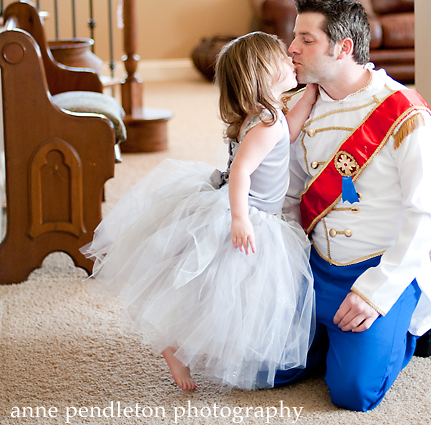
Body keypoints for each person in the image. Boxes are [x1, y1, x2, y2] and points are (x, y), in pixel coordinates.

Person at [82, 32, 317, 392]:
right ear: (264, 73)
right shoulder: (267, 123)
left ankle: (183, 346)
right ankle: (175, 347)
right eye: (283, 59)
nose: (291, 60)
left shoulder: (267, 116)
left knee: (218, 291)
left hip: (245, 207)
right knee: (217, 291)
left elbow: (289, 133)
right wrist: (240, 219)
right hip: (250, 214)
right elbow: (241, 171)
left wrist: (312, 91)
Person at [274, 0, 431, 412]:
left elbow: (425, 214)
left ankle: (413, 327)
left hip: (374, 269)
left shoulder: (405, 112)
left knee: (353, 393)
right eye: (293, 37)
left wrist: (377, 292)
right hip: (315, 265)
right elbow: (289, 196)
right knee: (266, 369)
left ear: (344, 47)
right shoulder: (296, 106)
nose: (291, 48)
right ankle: (332, 339)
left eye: (306, 39)